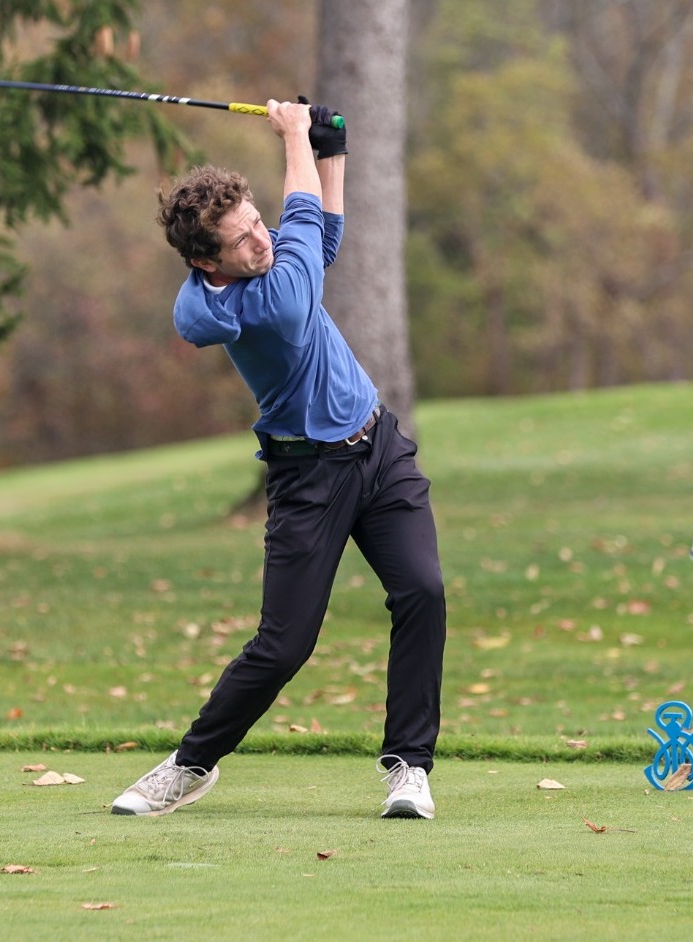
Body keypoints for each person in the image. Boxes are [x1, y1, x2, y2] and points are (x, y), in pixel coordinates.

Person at [110, 98, 447, 819]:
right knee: (285, 644)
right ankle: (189, 764)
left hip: (378, 448)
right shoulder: (217, 309)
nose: (260, 241)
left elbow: (319, 234)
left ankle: (410, 767)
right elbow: (301, 244)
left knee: (423, 591)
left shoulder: (275, 261)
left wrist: (331, 151)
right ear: (205, 261)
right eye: (241, 240)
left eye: (259, 223)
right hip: (308, 477)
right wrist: (294, 135)